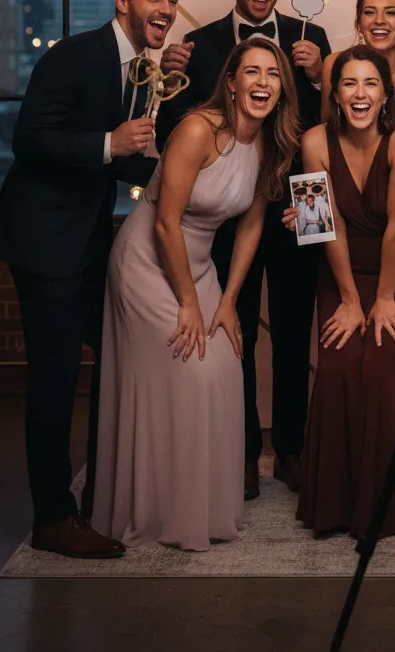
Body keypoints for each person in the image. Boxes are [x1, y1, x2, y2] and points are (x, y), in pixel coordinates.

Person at [0, 0, 189, 559]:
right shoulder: (72, 55)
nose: (165, 10)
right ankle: (53, 516)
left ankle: (106, 485)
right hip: (44, 240)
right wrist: (109, 143)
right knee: (54, 378)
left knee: (122, 348)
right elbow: (29, 139)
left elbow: (129, 160)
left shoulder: (142, 70)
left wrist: (181, 165)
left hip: (86, 239)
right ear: (123, 2)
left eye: (172, 0)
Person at [92, 40, 299, 550]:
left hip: (200, 263)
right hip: (148, 260)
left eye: (272, 74)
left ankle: (201, 504)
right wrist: (189, 303)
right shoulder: (196, 130)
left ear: (281, 88)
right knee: (190, 367)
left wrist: (227, 301)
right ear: (231, 81)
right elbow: (165, 221)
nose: (262, 82)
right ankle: (158, 510)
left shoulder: (270, 141)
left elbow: (250, 228)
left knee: (227, 362)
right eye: (251, 72)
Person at [158, 0, 331, 499]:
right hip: (233, 211)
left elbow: (324, 132)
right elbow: (179, 137)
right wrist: (165, 82)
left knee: (292, 327)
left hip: (298, 203)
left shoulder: (313, 41)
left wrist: (321, 76)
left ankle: (292, 450)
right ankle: (241, 453)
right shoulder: (199, 44)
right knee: (233, 329)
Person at [286, 45, 395, 538]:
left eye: (371, 84)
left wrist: (384, 299)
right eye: (349, 84)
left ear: (386, 93)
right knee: (342, 363)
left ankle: (386, 504)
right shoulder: (312, 143)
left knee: (380, 365)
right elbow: (325, 227)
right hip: (342, 272)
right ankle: (335, 505)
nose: (360, 94)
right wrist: (350, 300)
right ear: (335, 93)